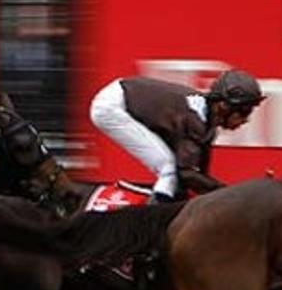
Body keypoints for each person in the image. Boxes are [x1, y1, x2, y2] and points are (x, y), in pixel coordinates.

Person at [89, 69, 266, 203]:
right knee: (168, 168)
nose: (246, 120)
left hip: (124, 96)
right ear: (223, 106)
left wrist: (224, 193)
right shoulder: (194, 120)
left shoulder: (207, 123)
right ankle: (149, 230)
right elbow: (186, 174)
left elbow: (200, 177)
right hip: (111, 107)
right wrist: (230, 193)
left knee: (174, 176)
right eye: (244, 112)